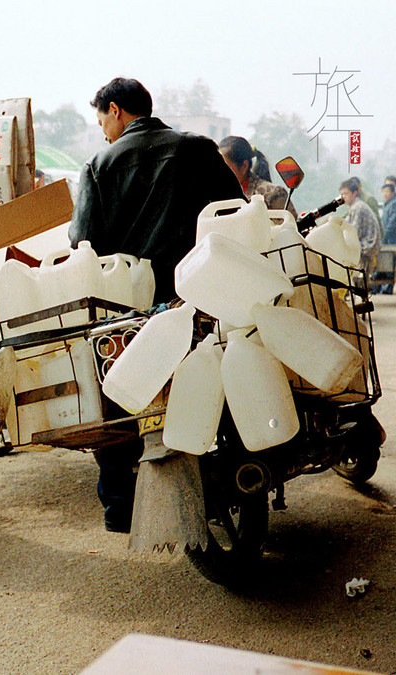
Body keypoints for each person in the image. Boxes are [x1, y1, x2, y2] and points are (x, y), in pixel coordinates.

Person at [70, 77, 243, 533]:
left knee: (120, 391)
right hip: (199, 296)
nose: (102, 129)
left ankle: (119, 504)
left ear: (115, 110)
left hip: (128, 305)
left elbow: (82, 242)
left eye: (101, 119)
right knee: (215, 377)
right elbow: (237, 212)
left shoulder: (98, 165)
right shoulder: (198, 149)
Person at [217, 136, 297, 217]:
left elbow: (290, 227)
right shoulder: (217, 197)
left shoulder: (273, 194)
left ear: (244, 166)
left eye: (225, 167)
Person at [339, 179, 382, 287]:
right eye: (342, 194)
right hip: (364, 241)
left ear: (355, 193)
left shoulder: (358, 208)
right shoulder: (354, 206)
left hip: (368, 244)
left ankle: (351, 284)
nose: (343, 196)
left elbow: (354, 234)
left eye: (346, 193)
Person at [374, 182, 396, 294]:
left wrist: (385, 233)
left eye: (387, 191)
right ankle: (380, 287)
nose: (385, 194)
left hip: (392, 237)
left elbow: (393, 221)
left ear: (393, 193)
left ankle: (388, 288)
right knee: (384, 261)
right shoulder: (388, 203)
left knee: (391, 262)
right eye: (383, 192)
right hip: (386, 236)